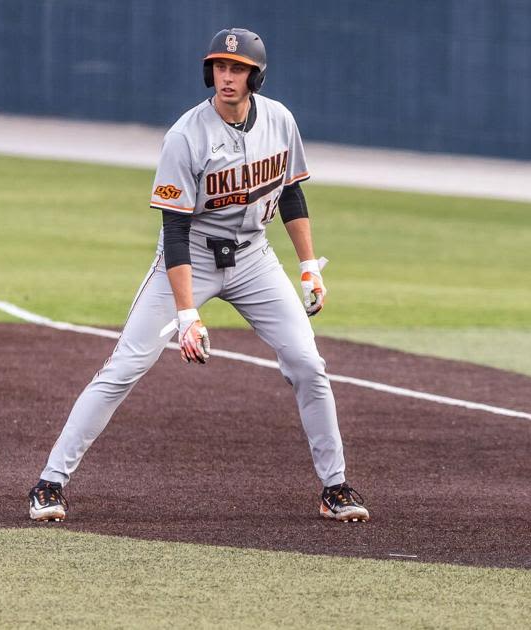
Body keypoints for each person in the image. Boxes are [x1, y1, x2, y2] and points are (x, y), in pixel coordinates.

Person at [26, 27, 370, 523]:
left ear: (256, 76)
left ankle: (335, 487)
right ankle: (49, 484)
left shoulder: (280, 120)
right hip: (193, 257)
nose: (227, 77)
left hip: (255, 258)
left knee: (308, 364)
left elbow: (291, 192)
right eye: (220, 67)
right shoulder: (186, 136)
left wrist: (309, 266)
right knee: (126, 366)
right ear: (210, 72)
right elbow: (175, 229)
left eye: (238, 69)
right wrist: (187, 314)